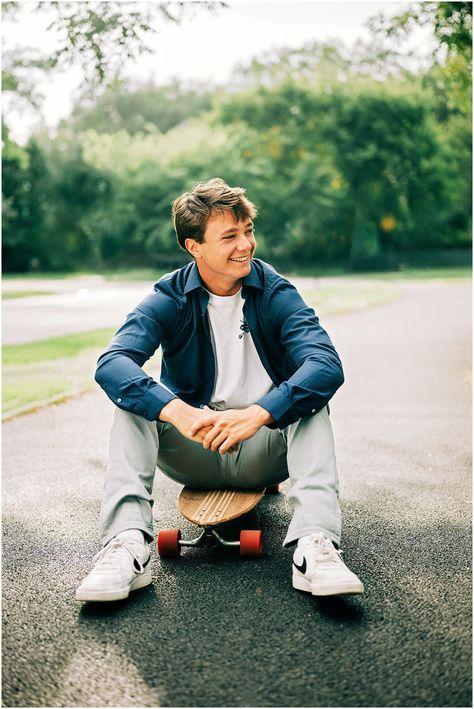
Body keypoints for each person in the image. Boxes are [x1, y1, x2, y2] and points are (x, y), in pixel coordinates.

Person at [76, 177, 364, 602]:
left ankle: (315, 547)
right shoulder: (169, 296)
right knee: (134, 404)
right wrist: (177, 410)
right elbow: (112, 364)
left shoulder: (275, 292)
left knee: (310, 404)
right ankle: (125, 547)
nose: (245, 244)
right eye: (229, 236)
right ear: (195, 247)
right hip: (196, 446)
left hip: (264, 450)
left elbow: (325, 365)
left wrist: (260, 413)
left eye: (247, 231)